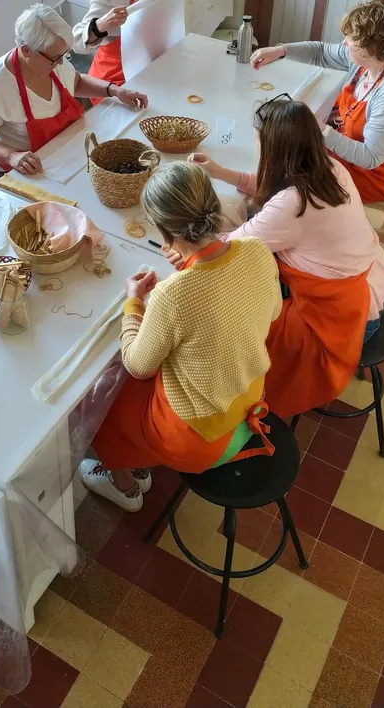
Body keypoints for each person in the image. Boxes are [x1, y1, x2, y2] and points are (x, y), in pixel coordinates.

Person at [79, 162, 282, 512]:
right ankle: (138, 460)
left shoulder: (172, 295)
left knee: (100, 401)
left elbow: (138, 366)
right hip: (249, 401)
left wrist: (133, 303)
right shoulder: (256, 249)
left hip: (201, 439)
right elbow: (272, 309)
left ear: (162, 231)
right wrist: (191, 268)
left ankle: (124, 484)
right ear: (215, 207)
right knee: (141, 387)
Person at [183, 96, 384, 419]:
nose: (256, 147)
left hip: (339, 319)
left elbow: (227, 247)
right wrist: (222, 173)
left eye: (258, 142)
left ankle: (240, 405)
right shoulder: (328, 166)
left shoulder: (293, 206)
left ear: (274, 151)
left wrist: (182, 243)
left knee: (236, 325)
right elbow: (275, 189)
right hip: (369, 287)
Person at [251, 0, 384, 203]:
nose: (345, 42)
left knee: (291, 169)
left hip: (379, 173)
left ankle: (281, 216)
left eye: (351, 39)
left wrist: (322, 130)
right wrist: (281, 51)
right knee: (287, 148)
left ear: (373, 49)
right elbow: (322, 52)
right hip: (357, 144)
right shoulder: (380, 58)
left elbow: (370, 157)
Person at [0, 4, 148, 184]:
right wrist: (11, 156)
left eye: (63, 56)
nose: (60, 63)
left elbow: (75, 82)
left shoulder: (50, 59)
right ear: (26, 50)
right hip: (20, 172)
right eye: (55, 58)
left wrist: (115, 90)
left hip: (60, 154)